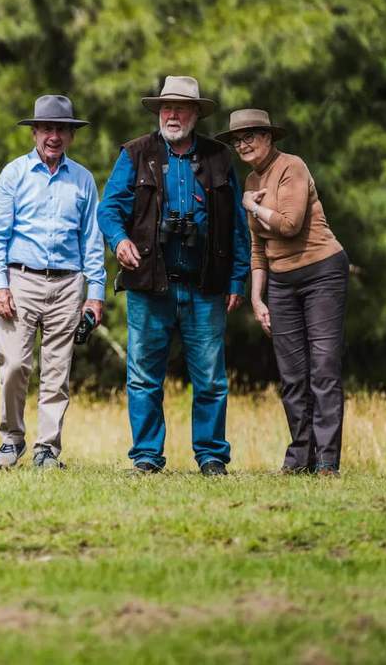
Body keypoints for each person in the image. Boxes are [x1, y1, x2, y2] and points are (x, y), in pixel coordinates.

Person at [97, 76, 250, 476]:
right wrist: (120, 241)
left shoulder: (219, 157)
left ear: (196, 113)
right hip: (150, 284)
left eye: (181, 108)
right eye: (166, 108)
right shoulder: (135, 153)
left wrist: (237, 280)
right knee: (144, 376)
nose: (172, 115)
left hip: (205, 284)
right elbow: (108, 209)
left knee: (211, 378)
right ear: (158, 112)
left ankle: (212, 455)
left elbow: (237, 225)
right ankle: (146, 456)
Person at [217, 109, 348, 477]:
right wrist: (258, 298)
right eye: (237, 139)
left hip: (322, 271)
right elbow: (259, 250)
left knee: (322, 369)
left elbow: (289, 225)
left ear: (269, 138)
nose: (243, 144)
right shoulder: (250, 182)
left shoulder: (292, 167)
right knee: (291, 374)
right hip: (281, 283)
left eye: (250, 136)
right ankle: (299, 458)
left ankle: (326, 462)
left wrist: (254, 206)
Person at [0, 95, 106, 470]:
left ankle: (47, 447)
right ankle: (12, 439)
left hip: (69, 283)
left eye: (62, 130)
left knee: (57, 369)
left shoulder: (83, 179)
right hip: (21, 279)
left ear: (71, 136)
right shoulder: (14, 174)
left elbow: (92, 241)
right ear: (35, 131)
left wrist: (95, 295)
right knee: (15, 364)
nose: (54, 136)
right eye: (47, 128)